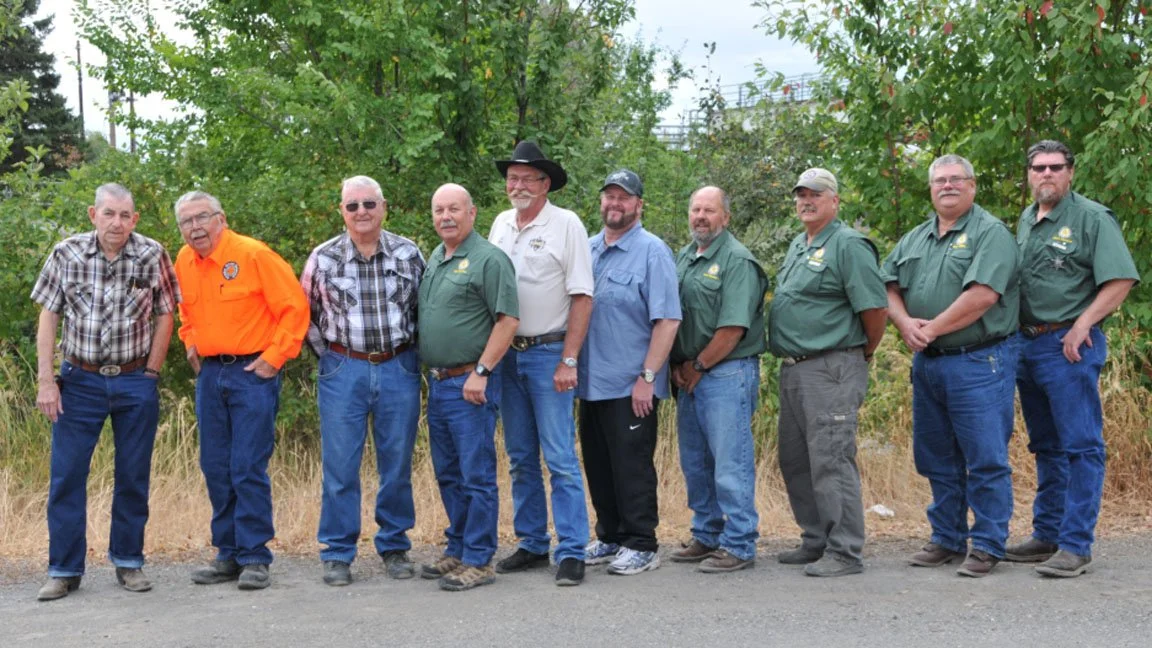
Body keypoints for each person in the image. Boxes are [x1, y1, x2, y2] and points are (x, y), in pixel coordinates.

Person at [31, 183, 179, 601]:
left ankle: (129, 563)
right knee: (67, 477)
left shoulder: (152, 254)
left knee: (133, 475)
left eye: (125, 215)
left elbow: (168, 314)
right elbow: (48, 315)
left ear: (135, 219)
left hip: (135, 381)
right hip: (79, 382)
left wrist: (151, 372)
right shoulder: (66, 254)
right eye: (109, 213)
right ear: (93, 214)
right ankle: (63, 569)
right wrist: (46, 381)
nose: (118, 223)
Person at [1006, 140, 1138, 578]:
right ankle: (1047, 534)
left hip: (1069, 346)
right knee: (1046, 445)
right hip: (1028, 346)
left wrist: (1083, 326)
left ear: (1070, 172)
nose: (1046, 174)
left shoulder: (1092, 218)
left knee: (1081, 446)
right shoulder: (1027, 219)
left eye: (1055, 167)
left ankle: (1076, 544)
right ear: (1028, 174)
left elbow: (1119, 280)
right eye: (1039, 167)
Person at [882, 155, 1020, 578]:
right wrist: (904, 323)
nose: (947, 186)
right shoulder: (917, 237)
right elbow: (886, 283)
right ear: (931, 189)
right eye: (939, 180)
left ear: (973, 186)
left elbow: (983, 296)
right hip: (930, 364)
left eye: (956, 180)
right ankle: (946, 537)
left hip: (978, 362)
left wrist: (931, 330)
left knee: (985, 458)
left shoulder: (990, 233)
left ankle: (989, 543)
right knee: (937, 457)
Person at [173, 190, 309, 590]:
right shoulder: (183, 260)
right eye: (186, 221)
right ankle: (227, 554)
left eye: (202, 218)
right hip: (211, 374)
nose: (195, 227)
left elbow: (295, 308)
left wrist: (275, 357)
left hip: (252, 372)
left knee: (246, 465)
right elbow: (185, 309)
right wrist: (190, 341)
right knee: (215, 465)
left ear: (221, 218)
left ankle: (254, 556)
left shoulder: (253, 255)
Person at [300, 176, 426, 586]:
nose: (361, 212)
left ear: (383, 206)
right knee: (340, 466)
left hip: (398, 366)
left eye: (368, 204)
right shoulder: (322, 258)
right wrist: (333, 361)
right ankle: (337, 552)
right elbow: (305, 317)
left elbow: (427, 312)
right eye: (352, 206)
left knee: (397, 464)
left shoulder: (409, 254)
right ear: (341, 211)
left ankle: (394, 545)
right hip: (343, 368)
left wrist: (413, 357)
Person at [768, 168, 887, 577]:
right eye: (801, 194)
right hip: (795, 369)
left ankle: (845, 550)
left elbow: (874, 310)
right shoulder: (798, 246)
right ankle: (815, 538)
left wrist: (859, 354)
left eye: (816, 194)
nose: (807, 200)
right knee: (797, 460)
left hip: (832, 365)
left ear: (835, 201)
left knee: (832, 459)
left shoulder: (849, 245)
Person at [488, 141, 594, 586]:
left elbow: (583, 296)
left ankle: (571, 550)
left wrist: (569, 358)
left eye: (527, 178)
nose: (517, 185)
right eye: (512, 178)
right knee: (519, 457)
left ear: (545, 183)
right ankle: (533, 542)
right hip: (508, 356)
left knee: (560, 457)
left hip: (550, 353)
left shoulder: (565, 224)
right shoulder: (499, 224)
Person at [578, 169, 681, 576]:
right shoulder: (587, 249)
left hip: (631, 383)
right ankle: (609, 535)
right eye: (609, 197)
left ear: (639, 205)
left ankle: (642, 543)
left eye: (624, 198)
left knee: (632, 465)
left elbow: (668, 320)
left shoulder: (653, 251)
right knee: (599, 463)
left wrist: (648, 377)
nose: (614, 204)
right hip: (591, 381)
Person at [418, 183, 520, 592]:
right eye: (439, 209)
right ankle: (458, 547)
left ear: (472, 213)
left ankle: (480, 559)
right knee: (449, 473)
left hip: (469, 383)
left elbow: (508, 320)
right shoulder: (436, 258)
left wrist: (481, 370)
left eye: (454, 209)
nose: (446, 216)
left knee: (476, 475)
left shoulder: (489, 260)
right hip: (439, 383)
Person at [668, 186, 767, 573]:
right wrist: (679, 365)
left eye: (709, 210)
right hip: (689, 375)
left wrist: (699, 365)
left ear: (726, 217)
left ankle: (740, 543)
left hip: (725, 371)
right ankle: (707, 533)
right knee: (696, 462)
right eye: (695, 210)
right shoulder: (685, 257)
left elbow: (732, 328)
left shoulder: (737, 261)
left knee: (731, 462)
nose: (701, 217)